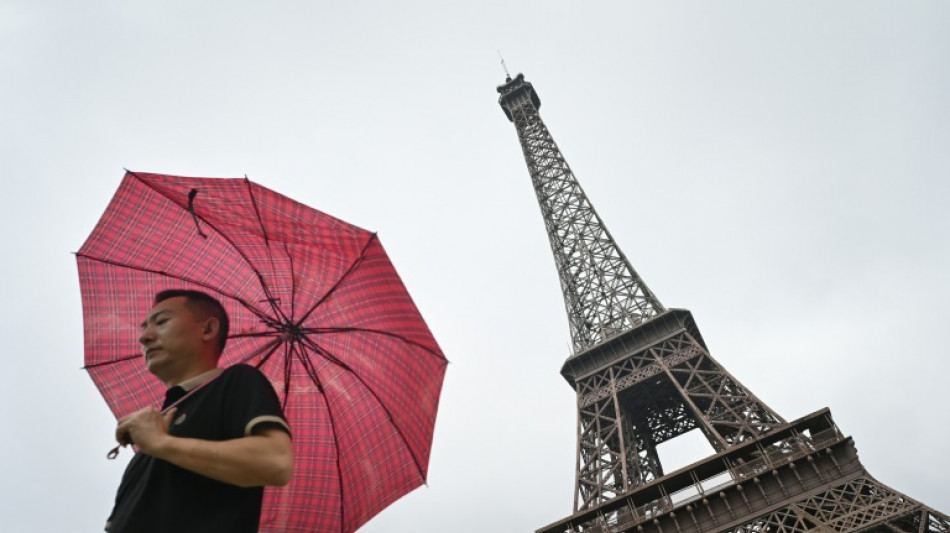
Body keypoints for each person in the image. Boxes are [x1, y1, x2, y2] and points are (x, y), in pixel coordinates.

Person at [105, 290, 293, 533]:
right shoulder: (143, 452)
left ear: (207, 330)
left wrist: (161, 443)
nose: (145, 337)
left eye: (162, 322)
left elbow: (275, 462)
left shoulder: (236, 381)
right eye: (144, 327)